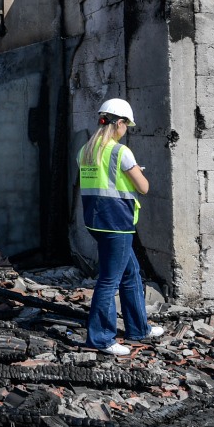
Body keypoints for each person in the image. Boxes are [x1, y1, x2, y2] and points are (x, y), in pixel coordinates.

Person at [78, 98, 164, 356]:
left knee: (131, 273)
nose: (127, 129)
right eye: (127, 124)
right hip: (117, 223)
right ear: (119, 123)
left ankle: (139, 328)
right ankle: (101, 339)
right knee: (109, 280)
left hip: (96, 221)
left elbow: (102, 181)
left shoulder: (85, 150)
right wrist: (136, 170)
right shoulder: (121, 152)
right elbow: (144, 187)